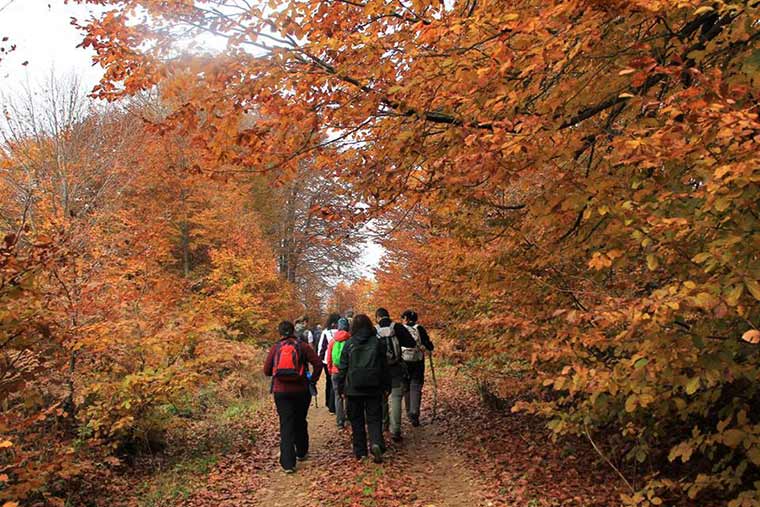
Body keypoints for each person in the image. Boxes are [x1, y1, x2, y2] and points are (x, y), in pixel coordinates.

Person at [263, 321, 323, 473]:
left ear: (280, 332)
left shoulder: (276, 347)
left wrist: (278, 373)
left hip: (281, 391)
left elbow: (266, 371)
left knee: (286, 423)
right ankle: (301, 452)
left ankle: (288, 463)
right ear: (293, 331)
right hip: (301, 389)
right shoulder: (302, 346)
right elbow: (318, 364)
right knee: (300, 420)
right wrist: (312, 379)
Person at [336, 314, 391, 462]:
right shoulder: (377, 342)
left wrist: (340, 389)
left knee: (356, 420)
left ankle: (360, 451)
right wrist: (387, 386)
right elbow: (384, 367)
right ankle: (376, 443)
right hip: (374, 387)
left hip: (353, 388)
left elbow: (343, 368)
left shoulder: (349, 343)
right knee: (374, 418)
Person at [375, 307, 418, 442]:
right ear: (389, 316)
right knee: (396, 398)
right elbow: (411, 343)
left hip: (380, 370)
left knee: (381, 398)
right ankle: (396, 431)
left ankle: (384, 425)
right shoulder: (397, 327)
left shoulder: (374, 330)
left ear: (377, 317)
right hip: (395, 368)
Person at [400, 309, 435, 427]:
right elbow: (430, 345)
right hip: (417, 361)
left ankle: (410, 413)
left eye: (403, 318)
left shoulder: (401, 329)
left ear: (406, 318)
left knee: (406, 387)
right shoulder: (420, 329)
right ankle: (415, 412)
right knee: (416, 386)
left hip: (403, 361)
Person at [326, 317, 351, 428]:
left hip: (336, 372)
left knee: (337, 396)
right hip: (348, 371)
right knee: (349, 395)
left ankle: (340, 421)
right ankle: (350, 419)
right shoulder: (351, 340)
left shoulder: (333, 341)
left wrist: (330, 370)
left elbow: (329, 359)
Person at [317, 313, 340, 413]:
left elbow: (321, 347)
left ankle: (329, 403)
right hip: (339, 360)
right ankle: (336, 404)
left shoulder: (326, 332)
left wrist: (319, 360)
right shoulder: (342, 332)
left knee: (329, 381)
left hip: (327, 360)